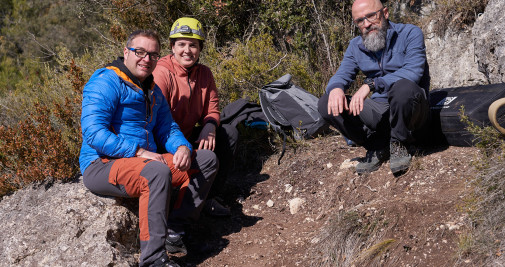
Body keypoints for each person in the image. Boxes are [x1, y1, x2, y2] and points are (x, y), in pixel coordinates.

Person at [79, 30, 218, 267]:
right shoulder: (106, 81)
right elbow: (93, 132)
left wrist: (182, 147)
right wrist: (139, 152)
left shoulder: (152, 89)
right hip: (102, 164)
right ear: (126, 52)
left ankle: (176, 230)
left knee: (205, 160)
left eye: (153, 55)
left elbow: (167, 128)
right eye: (139, 52)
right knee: (157, 172)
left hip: (142, 163)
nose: (146, 59)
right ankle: (153, 259)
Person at [318, 0, 430, 175]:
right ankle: (377, 147)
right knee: (326, 103)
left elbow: (413, 72)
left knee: (403, 88)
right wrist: (336, 88)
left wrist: (371, 85)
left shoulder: (409, 33)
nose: (367, 24)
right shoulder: (355, 46)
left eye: (371, 16)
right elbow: (342, 74)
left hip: (411, 110)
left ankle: (400, 143)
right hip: (379, 111)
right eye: (360, 21)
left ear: (385, 13)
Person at [153, 17, 238, 217]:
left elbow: (213, 108)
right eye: (181, 44)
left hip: (190, 135)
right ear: (172, 47)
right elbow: (156, 119)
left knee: (229, 133)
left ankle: (209, 197)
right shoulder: (162, 73)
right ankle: (176, 201)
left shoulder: (204, 74)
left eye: (193, 45)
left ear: (200, 49)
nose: (187, 50)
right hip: (164, 141)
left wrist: (210, 125)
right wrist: (179, 145)